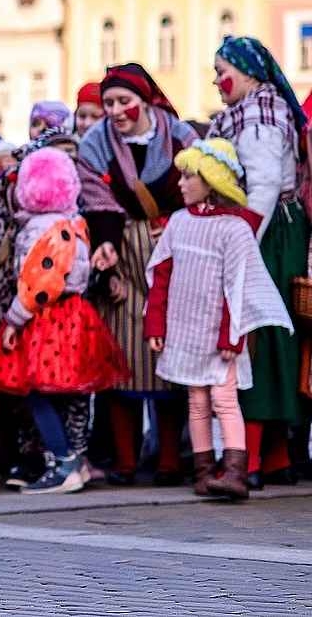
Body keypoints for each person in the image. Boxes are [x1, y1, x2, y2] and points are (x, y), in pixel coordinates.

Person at [144, 139, 293, 499]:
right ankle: (204, 471)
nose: (180, 184)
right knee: (196, 401)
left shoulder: (234, 229)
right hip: (186, 330)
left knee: (224, 399)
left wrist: (232, 336)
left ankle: (236, 472)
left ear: (211, 180)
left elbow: (238, 285)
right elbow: (161, 273)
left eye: (188, 176)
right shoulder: (179, 223)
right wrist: (156, 325)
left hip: (219, 334)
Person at [77, 63, 196, 485]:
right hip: (122, 257)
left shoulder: (179, 137)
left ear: (145, 101)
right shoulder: (95, 144)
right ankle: (125, 462)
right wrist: (105, 249)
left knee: (167, 361)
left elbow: (197, 187)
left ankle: (169, 461)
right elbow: (97, 202)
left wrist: (175, 222)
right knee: (123, 360)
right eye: (108, 102)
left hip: (172, 255)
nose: (115, 110)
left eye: (123, 101)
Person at [0, 147, 127, 494]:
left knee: (38, 391)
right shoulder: (75, 223)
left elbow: (40, 284)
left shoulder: (41, 229)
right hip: (76, 315)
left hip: (47, 319)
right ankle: (76, 460)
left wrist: (14, 320)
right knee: (74, 394)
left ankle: (62, 463)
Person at [208, 36, 310, 488]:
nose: (217, 81)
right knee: (269, 338)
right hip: (272, 230)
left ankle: (250, 459)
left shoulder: (259, 117)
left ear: (248, 73)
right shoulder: (252, 112)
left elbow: (264, 187)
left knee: (259, 337)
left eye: (222, 72)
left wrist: (244, 242)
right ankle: (274, 457)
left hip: (268, 234)